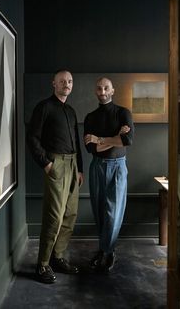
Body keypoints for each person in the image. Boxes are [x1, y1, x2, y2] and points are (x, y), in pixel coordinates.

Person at [27, 70, 83, 284]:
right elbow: (32, 137)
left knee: (70, 215)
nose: (66, 84)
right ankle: (42, 265)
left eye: (69, 81)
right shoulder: (44, 107)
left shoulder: (70, 110)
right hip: (56, 164)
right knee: (54, 217)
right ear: (54, 84)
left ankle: (57, 258)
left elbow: (77, 142)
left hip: (73, 164)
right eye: (62, 81)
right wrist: (46, 163)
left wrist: (80, 169)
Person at [84, 76, 134, 272]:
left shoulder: (123, 113)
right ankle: (104, 249)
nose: (102, 92)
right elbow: (90, 148)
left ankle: (108, 251)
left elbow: (127, 141)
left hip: (117, 166)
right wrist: (114, 138)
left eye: (106, 88)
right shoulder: (90, 117)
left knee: (113, 212)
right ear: (95, 91)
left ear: (113, 90)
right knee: (99, 211)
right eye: (99, 88)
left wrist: (100, 139)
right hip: (96, 165)